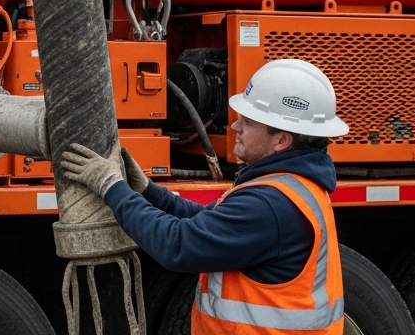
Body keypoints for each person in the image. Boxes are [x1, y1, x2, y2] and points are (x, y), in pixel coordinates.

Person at [59, 59, 350, 334]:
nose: (235, 126)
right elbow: (204, 221)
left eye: (248, 121)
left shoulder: (270, 205)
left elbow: (178, 244)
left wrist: (111, 186)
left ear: (282, 141)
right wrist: (148, 191)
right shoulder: (289, 187)